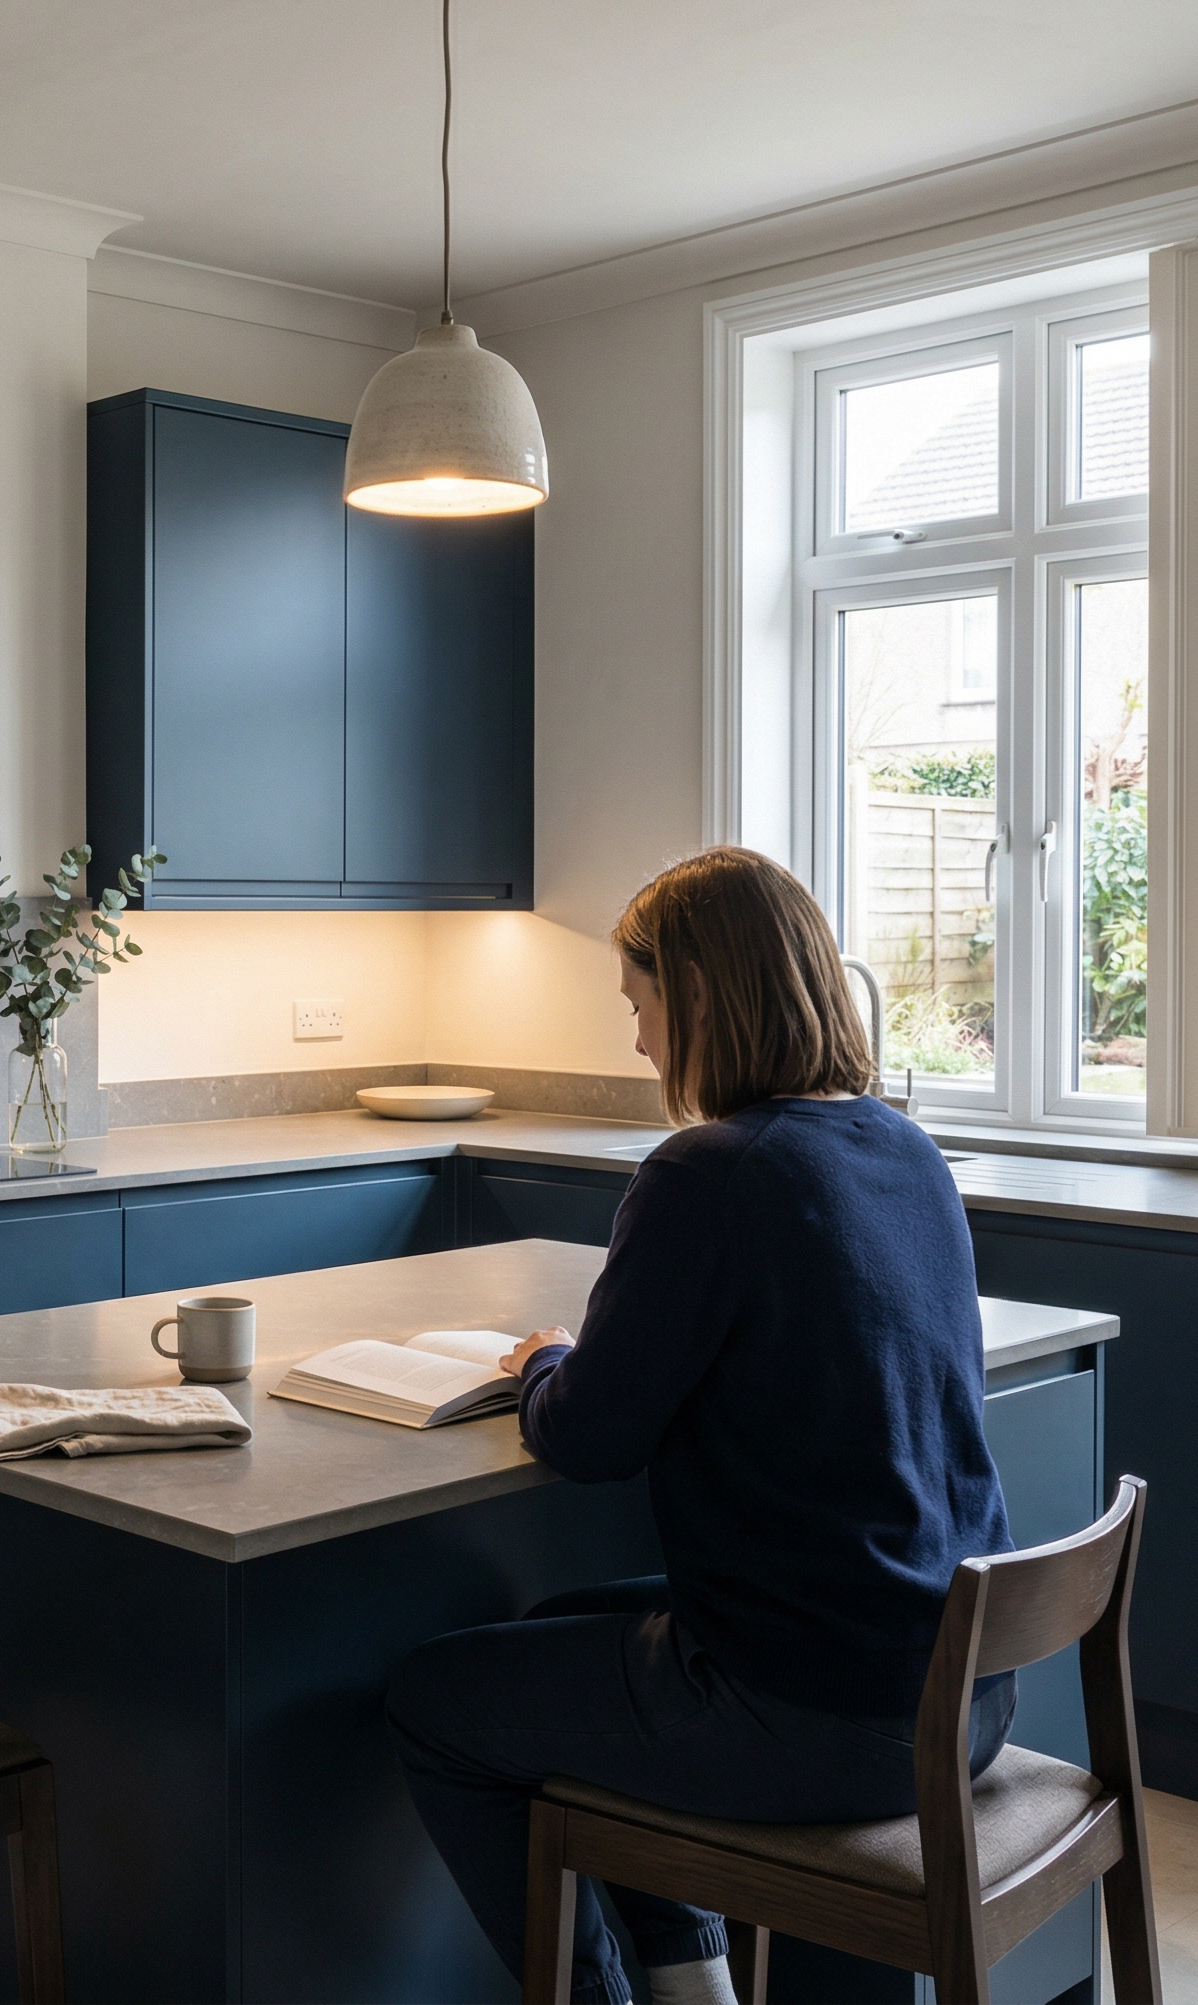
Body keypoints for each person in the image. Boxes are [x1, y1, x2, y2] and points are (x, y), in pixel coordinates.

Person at [385, 846, 1015, 2005]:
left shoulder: (707, 1171)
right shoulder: (903, 1148)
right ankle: (691, 1983)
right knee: (561, 1623)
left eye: (640, 1005)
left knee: (437, 1699)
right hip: (955, 1686)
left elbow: (586, 1437)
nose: (636, 1040)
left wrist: (547, 1360)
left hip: (816, 1712)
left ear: (701, 997)